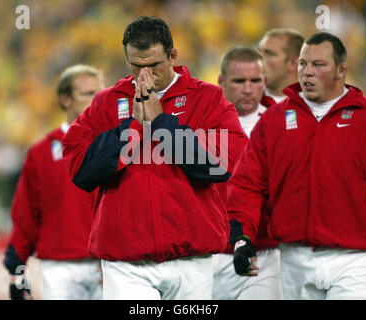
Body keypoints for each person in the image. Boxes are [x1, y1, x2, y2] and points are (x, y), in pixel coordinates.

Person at [62, 16, 246, 300]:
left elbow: (219, 165)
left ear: (173, 56)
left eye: (153, 65)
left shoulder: (207, 99)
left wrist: (161, 123)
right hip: (126, 264)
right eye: (137, 66)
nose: (144, 74)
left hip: (190, 260)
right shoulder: (106, 103)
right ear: (127, 60)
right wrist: (132, 128)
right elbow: (82, 170)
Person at [227, 32, 366, 300]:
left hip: (355, 260)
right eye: (303, 64)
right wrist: (242, 237)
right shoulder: (274, 120)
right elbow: (247, 184)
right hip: (293, 260)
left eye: (318, 65)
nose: (307, 72)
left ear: (341, 69)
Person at [3, 64, 105, 300]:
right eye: (88, 94)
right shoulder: (40, 154)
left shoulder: (116, 146)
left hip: (108, 264)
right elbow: (26, 215)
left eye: (100, 93)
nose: (98, 100)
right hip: (60, 267)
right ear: (65, 99)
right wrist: (17, 272)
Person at [213, 45, 282, 300]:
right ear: (221, 81)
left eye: (255, 80)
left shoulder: (283, 124)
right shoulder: (202, 125)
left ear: (265, 80)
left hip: (263, 251)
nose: (248, 88)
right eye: (239, 80)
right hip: (209, 252)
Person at [258, 28, 304, 104]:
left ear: (294, 63)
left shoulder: (316, 106)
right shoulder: (245, 102)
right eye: (258, 52)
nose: (258, 59)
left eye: (269, 54)